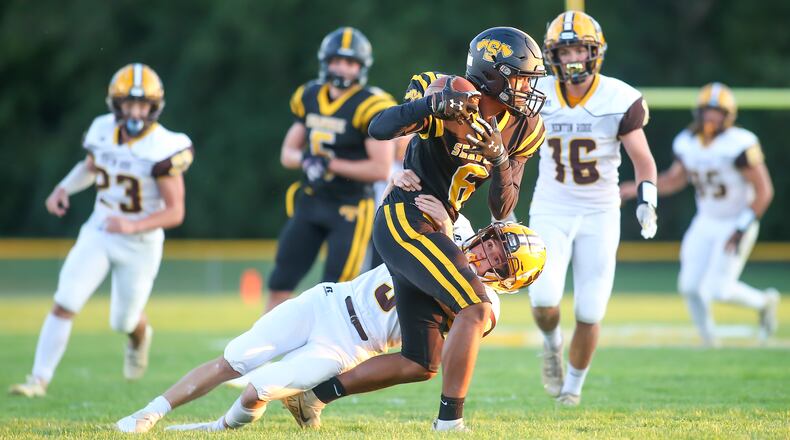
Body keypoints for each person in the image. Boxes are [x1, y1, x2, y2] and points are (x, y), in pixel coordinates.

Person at [285, 26, 548, 432]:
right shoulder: (442, 88)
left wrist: (498, 160)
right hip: (405, 218)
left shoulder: (526, 127)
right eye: (521, 77)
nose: (527, 88)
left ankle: (312, 397)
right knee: (476, 307)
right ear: (492, 74)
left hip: (439, 225)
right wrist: (430, 106)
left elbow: (503, 208)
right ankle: (449, 425)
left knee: (421, 362)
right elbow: (379, 127)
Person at [115, 194, 539, 433]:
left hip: (347, 346)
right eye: (492, 242)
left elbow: (445, 329)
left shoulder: (483, 304)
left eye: (499, 260)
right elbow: (407, 202)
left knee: (257, 389)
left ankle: (215, 428)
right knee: (236, 358)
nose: (485, 253)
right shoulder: (457, 226)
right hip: (327, 300)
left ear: (507, 279)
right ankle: (150, 412)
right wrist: (406, 183)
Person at [9, 63, 194, 397]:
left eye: (142, 104)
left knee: (123, 322)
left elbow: (175, 211)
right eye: (128, 103)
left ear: (154, 107)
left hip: (140, 241)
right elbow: (92, 167)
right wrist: (64, 187)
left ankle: (140, 334)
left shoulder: (164, 146)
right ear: (116, 104)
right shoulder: (101, 130)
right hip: (101, 228)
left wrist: (131, 224)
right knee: (66, 300)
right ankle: (38, 380)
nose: (135, 110)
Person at [526, 11, 658, 406]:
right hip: (551, 205)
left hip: (600, 211)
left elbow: (644, 160)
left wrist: (648, 199)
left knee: (589, 308)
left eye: (578, 48)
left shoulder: (618, 97)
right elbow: (511, 147)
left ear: (594, 51)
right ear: (553, 55)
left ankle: (573, 389)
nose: (570, 57)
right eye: (563, 50)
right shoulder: (538, 94)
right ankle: (551, 345)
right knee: (543, 299)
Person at [621, 82, 778, 347]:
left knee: (720, 289)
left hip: (736, 220)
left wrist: (741, 228)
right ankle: (709, 343)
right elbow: (675, 180)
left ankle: (765, 303)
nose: (710, 117)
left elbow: (764, 190)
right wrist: (639, 189)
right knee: (690, 287)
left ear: (728, 115)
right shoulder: (687, 142)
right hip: (706, 220)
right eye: (706, 110)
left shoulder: (740, 143)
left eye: (717, 112)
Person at [267, 27, 397, 312]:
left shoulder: (371, 105)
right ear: (325, 61)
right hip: (311, 201)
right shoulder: (310, 95)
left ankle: (328, 352)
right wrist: (307, 161)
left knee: (334, 293)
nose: (343, 68)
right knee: (280, 281)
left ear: (361, 67)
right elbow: (288, 153)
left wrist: (330, 164)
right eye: (337, 60)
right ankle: (262, 353)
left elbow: (380, 168)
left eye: (350, 62)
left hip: (350, 209)